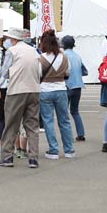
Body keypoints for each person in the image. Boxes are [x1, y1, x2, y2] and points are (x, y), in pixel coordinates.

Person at [0, 27, 42, 168]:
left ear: (13, 39)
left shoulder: (12, 51)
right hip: (34, 90)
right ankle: (33, 158)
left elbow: (4, 72)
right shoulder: (34, 51)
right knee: (32, 126)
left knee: (11, 124)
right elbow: (40, 71)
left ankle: (7, 157)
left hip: (16, 90)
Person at [37, 31, 76, 160]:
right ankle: (69, 150)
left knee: (48, 121)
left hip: (45, 91)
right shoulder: (64, 57)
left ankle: (53, 150)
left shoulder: (41, 58)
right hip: (61, 89)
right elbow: (67, 72)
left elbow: (38, 74)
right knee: (64, 120)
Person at [61, 36, 87, 142]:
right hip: (78, 86)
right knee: (75, 111)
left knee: (64, 113)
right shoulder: (77, 56)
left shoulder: (63, 56)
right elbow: (85, 71)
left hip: (67, 85)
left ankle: (67, 135)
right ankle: (81, 134)